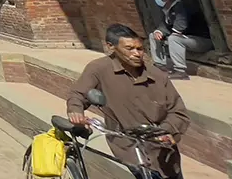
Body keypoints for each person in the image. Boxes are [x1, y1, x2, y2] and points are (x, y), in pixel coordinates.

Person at [68, 24, 189, 179]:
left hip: (162, 150)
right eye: (129, 49)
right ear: (111, 47)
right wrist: (76, 111)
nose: (136, 54)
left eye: (140, 49)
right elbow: (78, 94)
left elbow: (178, 112)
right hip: (127, 147)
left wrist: (166, 131)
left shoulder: (157, 76)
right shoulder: (98, 69)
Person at [148, 0, 211, 81]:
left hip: (200, 41)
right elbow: (165, 26)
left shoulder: (181, 7)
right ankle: (160, 65)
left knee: (174, 38)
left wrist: (171, 33)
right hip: (186, 39)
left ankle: (180, 71)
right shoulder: (168, 10)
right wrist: (159, 32)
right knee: (153, 35)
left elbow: (181, 25)